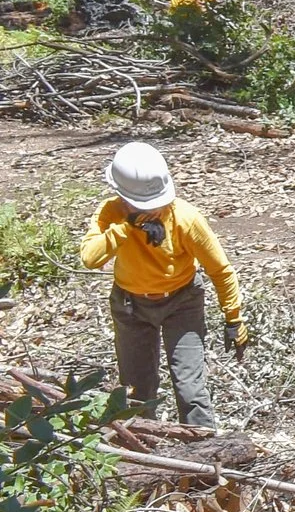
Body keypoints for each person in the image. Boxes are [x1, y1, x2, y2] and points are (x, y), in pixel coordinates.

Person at [80, 141, 248, 427]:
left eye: (157, 205)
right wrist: (125, 227)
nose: (155, 211)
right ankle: (142, 456)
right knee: (136, 391)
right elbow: (90, 258)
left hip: (181, 303)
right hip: (131, 306)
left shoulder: (185, 218)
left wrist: (234, 319)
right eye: (145, 205)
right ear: (122, 196)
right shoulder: (111, 213)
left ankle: (203, 459)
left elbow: (220, 270)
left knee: (190, 389)